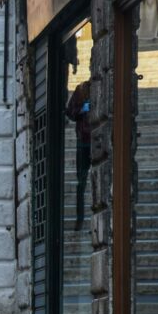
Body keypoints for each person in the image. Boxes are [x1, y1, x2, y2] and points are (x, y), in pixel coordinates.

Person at [65, 79, 92, 231]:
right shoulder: (81, 90)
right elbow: (70, 112)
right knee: (81, 183)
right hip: (83, 142)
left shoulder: (106, 85)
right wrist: (82, 109)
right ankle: (80, 219)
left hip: (97, 140)